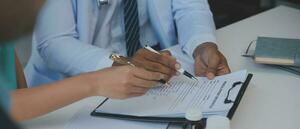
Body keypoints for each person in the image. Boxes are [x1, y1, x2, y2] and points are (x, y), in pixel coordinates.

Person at [0, 0, 235, 129]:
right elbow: (52, 42)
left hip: (144, 87)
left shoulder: (6, 49)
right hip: (74, 98)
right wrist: (98, 80)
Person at [25, 0, 231, 87]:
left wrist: (202, 43)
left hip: (159, 68)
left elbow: (190, 6)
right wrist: (121, 64)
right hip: (81, 79)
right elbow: (54, 43)